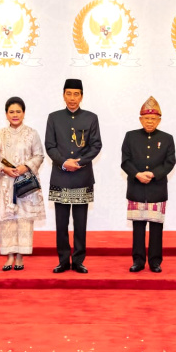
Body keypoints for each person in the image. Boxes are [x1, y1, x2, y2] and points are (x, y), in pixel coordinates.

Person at [44, 78, 102, 273]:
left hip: (82, 176)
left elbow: (96, 145)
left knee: (80, 223)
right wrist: (63, 162)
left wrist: (79, 162)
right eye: (68, 93)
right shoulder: (54, 117)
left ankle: (78, 261)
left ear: (82, 96)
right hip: (60, 177)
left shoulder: (91, 118)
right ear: (63, 95)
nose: (72, 98)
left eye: (76, 94)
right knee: (61, 223)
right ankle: (63, 260)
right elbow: (50, 146)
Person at [0, 97, 46, 270]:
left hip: (25, 183)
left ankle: (20, 256)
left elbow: (39, 155)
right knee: (7, 218)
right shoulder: (0, 134)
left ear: (24, 113)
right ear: (6, 114)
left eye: (18, 111)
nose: (15, 115)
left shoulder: (32, 133)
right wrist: (3, 168)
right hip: (6, 183)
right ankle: (9, 256)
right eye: (11, 112)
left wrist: (27, 166)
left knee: (24, 219)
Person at [120, 96, 176, 273]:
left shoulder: (167, 138)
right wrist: (137, 174)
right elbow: (125, 161)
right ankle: (137, 261)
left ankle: (155, 262)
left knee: (156, 228)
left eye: (153, 119)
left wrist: (154, 174)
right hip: (136, 187)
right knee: (137, 227)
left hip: (156, 188)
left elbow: (170, 162)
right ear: (140, 119)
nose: (149, 121)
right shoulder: (131, 136)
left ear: (159, 120)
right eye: (146, 118)